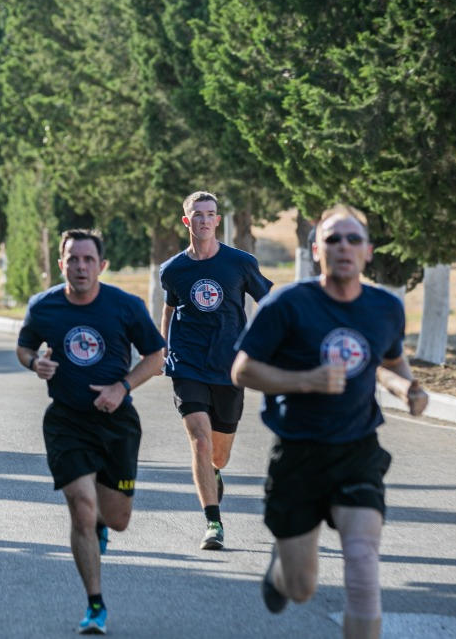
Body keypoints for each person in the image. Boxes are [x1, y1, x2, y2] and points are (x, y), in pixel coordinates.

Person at [232, 206, 428, 639]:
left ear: (368, 252)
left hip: (357, 450)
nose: (344, 247)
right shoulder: (287, 304)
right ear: (316, 249)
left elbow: (389, 360)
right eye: (333, 239)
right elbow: (242, 371)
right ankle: (280, 571)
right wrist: (306, 380)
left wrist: (407, 389)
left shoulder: (385, 308)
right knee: (302, 589)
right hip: (298, 454)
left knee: (362, 568)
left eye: (353, 239)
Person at [15, 229, 166, 635]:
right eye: (72, 259)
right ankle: (95, 605)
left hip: (116, 422)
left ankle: (101, 524)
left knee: (116, 519)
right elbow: (25, 346)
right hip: (66, 420)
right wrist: (35, 364)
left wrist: (123, 387)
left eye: (87, 259)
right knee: (81, 507)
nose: (80, 267)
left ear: (102, 265)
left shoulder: (126, 306)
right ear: (60, 263)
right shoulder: (44, 307)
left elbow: (156, 355)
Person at [159, 191, 273, 550]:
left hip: (229, 367)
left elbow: (269, 302)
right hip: (187, 364)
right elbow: (170, 308)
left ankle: (215, 472)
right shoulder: (173, 269)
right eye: (198, 214)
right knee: (200, 440)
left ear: (218, 221)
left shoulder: (240, 263)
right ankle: (213, 523)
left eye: (211, 214)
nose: (205, 220)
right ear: (186, 221)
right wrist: (164, 347)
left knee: (218, 454)